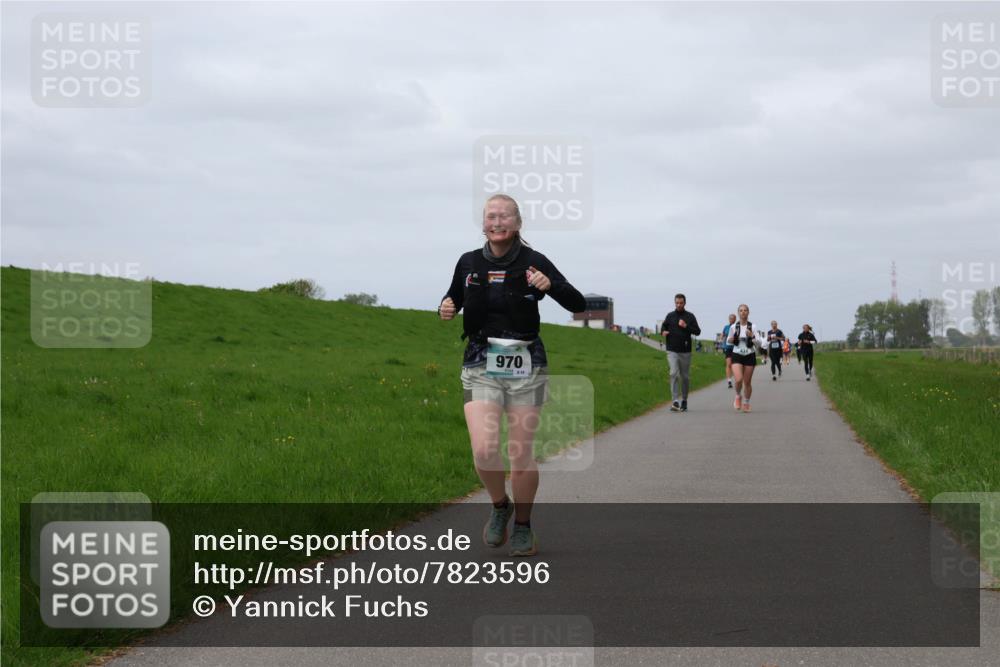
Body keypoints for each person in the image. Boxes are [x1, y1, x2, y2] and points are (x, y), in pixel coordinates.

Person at [439, 194, 586, 556]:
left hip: (526, 364)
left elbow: (578, 303)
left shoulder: (535, 262)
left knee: (520, 453)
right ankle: (499, 505)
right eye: (491, 216)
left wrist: (550, 286)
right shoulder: (469, 262)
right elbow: (453, 298)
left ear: (518, 223)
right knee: (484, 449)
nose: (497, 221)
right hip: (480, 361)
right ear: (483, 224)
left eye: (504, 216)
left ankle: (522, 525)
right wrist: (445, 307)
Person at [660, 294, 702, 412]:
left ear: (684, 303)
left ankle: (684, 400)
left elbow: (697, 331)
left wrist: (686, 326)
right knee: (673, 373)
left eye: (681, 303)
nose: (678, 305)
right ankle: (675, 401)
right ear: (675, 303)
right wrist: (663, 332)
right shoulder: (670, 316)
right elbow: (663, 327)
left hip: (685, 351)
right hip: (672, 350)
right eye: (677, 303)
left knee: (685, 377)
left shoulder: (690, 316)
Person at [725, 304, 757, 412]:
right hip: (737, 354)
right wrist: (733, 339)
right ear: (738, 313)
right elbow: (728, 340)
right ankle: (738, 395)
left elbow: (759, 343)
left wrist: (752, 336)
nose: (743, 312)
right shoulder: (734, 327)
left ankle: (746, 402)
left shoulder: (753, 327)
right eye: (741, 310)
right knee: (738, 379)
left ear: (748, 312)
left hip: (749, 355)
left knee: (747, 382)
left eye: (745, 310)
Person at [721, 313, 736, 389]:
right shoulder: (726, 327)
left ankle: (737, 377)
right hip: (728, 347)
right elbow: (722, 335)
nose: (731, 320)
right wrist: (722, 341)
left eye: (733, 318)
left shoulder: (737, 327)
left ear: (735, 319)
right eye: (730, 318)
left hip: (736, 348)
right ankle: (729, 381)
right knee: (729, 364)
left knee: (735, 364)